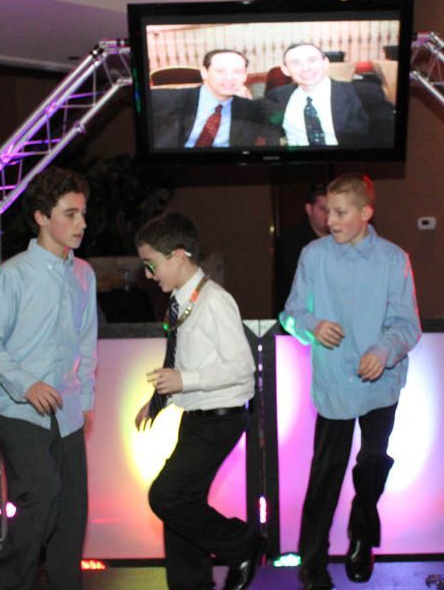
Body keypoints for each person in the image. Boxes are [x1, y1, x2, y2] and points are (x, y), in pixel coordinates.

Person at [280, 173, 421, 590]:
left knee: (373, 463)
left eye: (339, 213)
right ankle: (312, 560)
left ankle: (362, 537)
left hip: (381, 383)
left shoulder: (394, 259)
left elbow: (407, 325)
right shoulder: (313, 255)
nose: (330, 221)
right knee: (326, 472)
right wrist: (313, 326)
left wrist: (383, 350)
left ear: (365, 213)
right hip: (334, 383)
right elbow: (290, 314)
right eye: (326, 211)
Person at [0, 166, 96, 590]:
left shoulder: (84, 274)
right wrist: (26, 384)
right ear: (42, 217)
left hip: (69, 411)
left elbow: (86, 342)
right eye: (70, 213)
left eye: (82, 213)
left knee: (71, 514)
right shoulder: (14, 274)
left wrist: (87, 399)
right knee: (41, 495)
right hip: (19, 408)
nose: (81, 223)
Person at [134, 212, 265, 590]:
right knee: (181, 506)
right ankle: (191, 585)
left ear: (177, 255)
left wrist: (184, 380)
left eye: (152, 265)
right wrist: (158, 401)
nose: (149, 274)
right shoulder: (179, 301)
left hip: (220, 419)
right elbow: (180, 359)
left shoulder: (214, 301)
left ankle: (242, 543)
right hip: (197, 417)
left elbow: (242, 369)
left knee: (166, 496)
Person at [266, 43, 394, 148]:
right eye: (295, 63)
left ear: (326, 63)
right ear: (285, 70)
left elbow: (388, 139)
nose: (305, 68)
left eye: (312, 60)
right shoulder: (277, 96)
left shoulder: (365, 94)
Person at [151, 49, 280, 149]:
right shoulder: (163, 99)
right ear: (204, 73)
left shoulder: (253, 109)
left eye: (237, 72)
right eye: (220, 71)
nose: (229, 78)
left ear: (245, 76)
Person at [274, 182, 329, 314]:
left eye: (331, 210)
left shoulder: (340, 239)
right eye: (323, 209)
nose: (328, 215)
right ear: (309, 209)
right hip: (300, 317)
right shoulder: (290, 241)